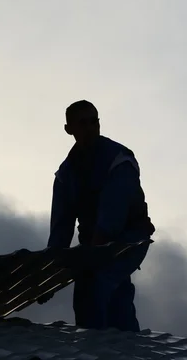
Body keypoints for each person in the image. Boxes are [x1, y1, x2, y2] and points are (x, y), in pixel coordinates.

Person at [43, 100, 155, 331]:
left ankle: (107, 349)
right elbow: (61, 227)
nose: (90, 127)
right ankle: (122, 347)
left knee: (96, 285)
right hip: (94, 246)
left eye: (94, 121)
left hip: (129, 239)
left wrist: (93, 251)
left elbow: (114, 209)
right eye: (82, 123)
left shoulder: (118, 159)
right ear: (69, 129)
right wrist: (48, 276)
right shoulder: (66, 174)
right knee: (105, 293)